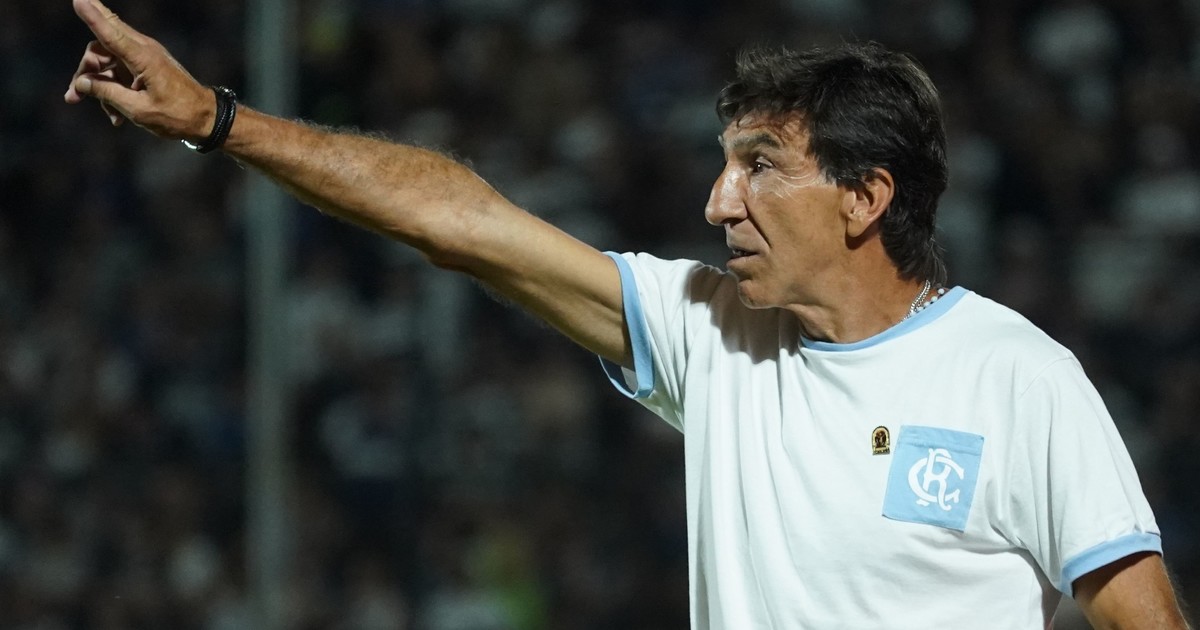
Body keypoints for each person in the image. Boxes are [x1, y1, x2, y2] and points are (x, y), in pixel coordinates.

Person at [64, 0, 1191, 627]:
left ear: (865, 198)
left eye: (760, 166)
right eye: (724, 163)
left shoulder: (1016, 378)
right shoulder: (712, 333)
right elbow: (460, 221)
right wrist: (217, 121)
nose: (718, 202)